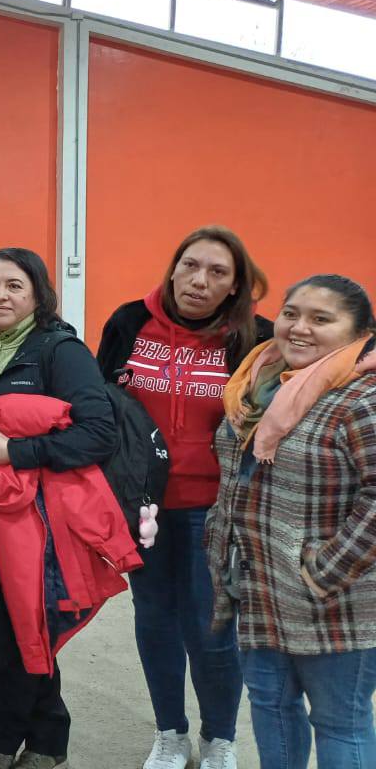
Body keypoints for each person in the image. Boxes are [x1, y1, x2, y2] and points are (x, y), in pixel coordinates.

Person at [96, 226, 271, 769]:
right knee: (154, 620)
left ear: (236, 286)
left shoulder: (255, 337)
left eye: (218, 273)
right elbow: (103, 411)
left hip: (214, 509)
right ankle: (170, 733)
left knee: (213, 625)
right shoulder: (129, 322)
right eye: (190, 266)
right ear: (173, 268)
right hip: (141, 505)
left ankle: (220, 738)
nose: (199, 281)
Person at [205, 274, 376, 769]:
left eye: (321, 319)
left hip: (334, 599)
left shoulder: (361, 398)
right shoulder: (260, 381)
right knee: (270, 708)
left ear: (359, 332)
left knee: (339, 722)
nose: (299, 328)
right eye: (291, 313)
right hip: (259, 587)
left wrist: (323, 571)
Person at [0, 248, 116, 769]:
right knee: (12, 624)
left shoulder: (59, 350)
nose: (0, 295)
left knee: (28, 625)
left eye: (14, 286)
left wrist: (16, 451)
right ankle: (49, 739)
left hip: (36, 520)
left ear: (38, 294)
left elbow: (99, 433)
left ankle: (2, 740)